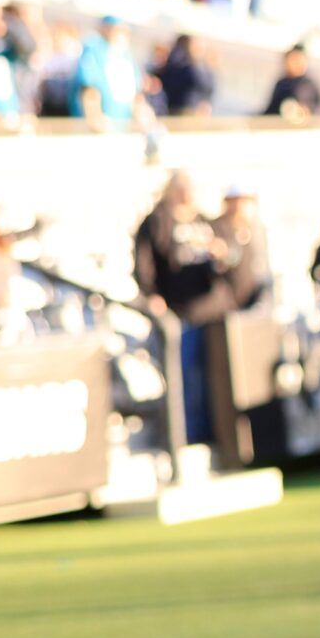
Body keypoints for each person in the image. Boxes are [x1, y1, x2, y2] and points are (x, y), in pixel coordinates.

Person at [134, 173, 227, 443]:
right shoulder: (158, 221)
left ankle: (213, 431)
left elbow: (227, 258)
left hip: (210, 311)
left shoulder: (204, 221)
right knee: (182, 377)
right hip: (179, 312)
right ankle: (185, 435)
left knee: (212, 376)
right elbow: (144, 263)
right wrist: (151, 295)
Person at [72, 16, 144, 130]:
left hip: (123, 122)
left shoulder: (126, 54)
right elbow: (89, 88)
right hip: (101, 124)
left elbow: (136, 92)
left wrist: (141, 116)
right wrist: (95, 117)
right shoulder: (95, 49)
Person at [155, 34, 216, 116]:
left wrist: (205, 103)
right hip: (179, 109)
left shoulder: (200, 68)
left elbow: (208, 88)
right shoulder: (181, 65)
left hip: (191, 110)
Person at [264, 44, 320, 119]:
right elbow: (271, 110)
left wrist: (305, 111)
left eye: (297, 59)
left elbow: (317, 108)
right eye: (291, 60)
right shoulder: (281, 84)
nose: (293, 64)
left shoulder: (308, 85)